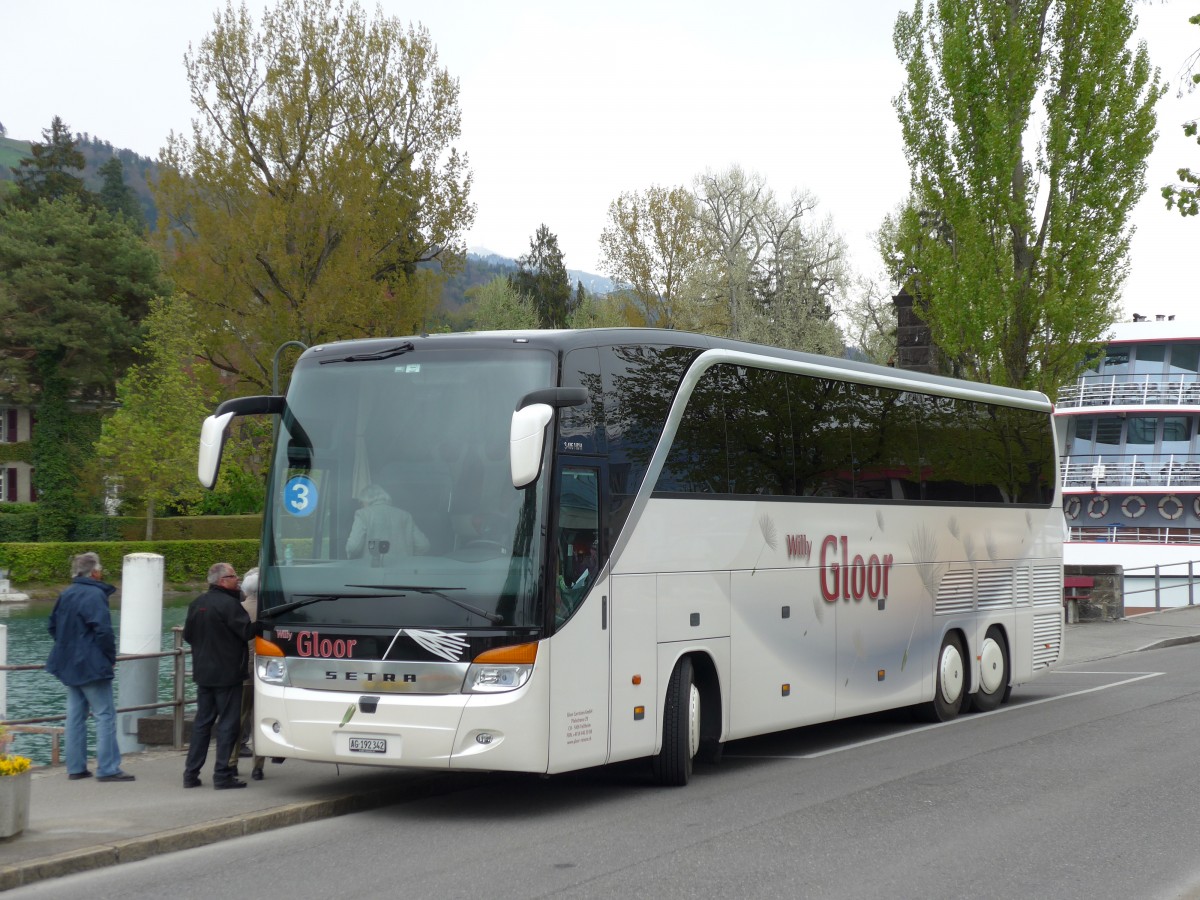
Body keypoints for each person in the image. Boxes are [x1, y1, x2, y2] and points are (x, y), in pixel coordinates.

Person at [45, 552, 135, 782]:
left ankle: (75, 767)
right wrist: (109, 656)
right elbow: (103, 630)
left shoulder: (67, 593)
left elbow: (52, 626)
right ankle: (108, 768)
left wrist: (67, 647)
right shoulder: (95, 594)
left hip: (68, 663)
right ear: (95, 572)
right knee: (105, 714)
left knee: (75, 715)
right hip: (91, 663)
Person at [183, 562, 256, 790]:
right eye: (234, 576)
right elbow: (246, 632)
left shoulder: (197, 604)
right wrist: (263, 625)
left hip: (203, 673)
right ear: (223, 580)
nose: (238, 580)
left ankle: (191, 773)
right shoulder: (230, 605)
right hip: (228, 673)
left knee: (202, 724)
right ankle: (222, 774)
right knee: (228, 723)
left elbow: (188, 635)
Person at [345, 483, 430, 563]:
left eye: (361, 502)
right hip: (402, 573)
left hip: (372, 573)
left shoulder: (363, 514)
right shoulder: (405, 515)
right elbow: (423, 545)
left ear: (366, 500)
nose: (361, 505)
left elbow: (353, 548)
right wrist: (407, 556)